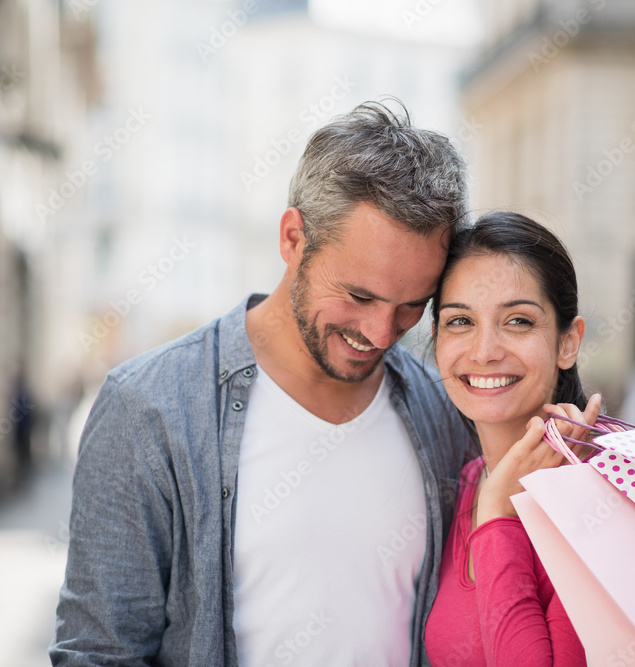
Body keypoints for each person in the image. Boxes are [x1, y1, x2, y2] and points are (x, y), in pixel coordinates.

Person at [50, 101, 473, 666]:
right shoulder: (147, 409)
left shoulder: (441, 410)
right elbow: (99, 653)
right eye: (358, 295)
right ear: (293, 238)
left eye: (411, 306)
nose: (380, 332)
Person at [425, 212, 593, 665]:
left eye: (518, 321)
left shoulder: (593, 500)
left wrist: (498, 515)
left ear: (567, 343)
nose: (484, 351)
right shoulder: (464, 484)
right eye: (460, 321)